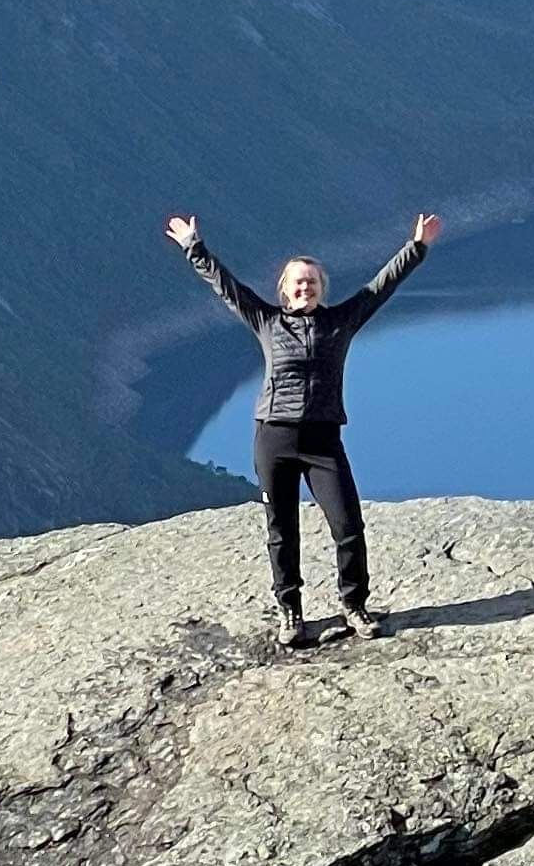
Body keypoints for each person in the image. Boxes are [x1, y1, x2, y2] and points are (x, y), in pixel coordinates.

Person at [166, 208, 441, 650]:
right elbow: (226, 287)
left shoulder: (340, 322)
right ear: (285, 289)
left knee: (348, 524)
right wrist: (194, 248)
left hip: (322, 440)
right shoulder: (266, 321)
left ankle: (354, 605)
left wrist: (418, 247)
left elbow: (380, 288)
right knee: (282, 527)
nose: (305, 286)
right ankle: (290, 611)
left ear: (320, 288)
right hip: (274, 437)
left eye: (311, 281)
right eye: (298, 281)